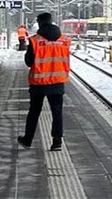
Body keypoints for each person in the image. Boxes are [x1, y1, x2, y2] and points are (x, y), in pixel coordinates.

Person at [18, 13, 71, 151]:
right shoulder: (64, 40)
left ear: (40, 23)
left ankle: (28, 140)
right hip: (58, 82)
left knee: (34, 112)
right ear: (51, 21)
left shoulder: (35, 40)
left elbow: (29, 62)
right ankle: (57, 142)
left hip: (39, 83)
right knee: (57, 112)